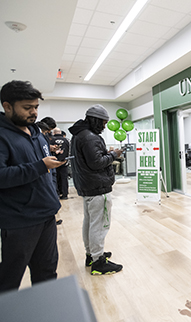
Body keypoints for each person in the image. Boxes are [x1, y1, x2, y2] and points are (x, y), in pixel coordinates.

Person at [0, 80, 65, 292]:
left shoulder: (37, 132)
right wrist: (39, 165)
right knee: (10, 278)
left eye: (36, 107)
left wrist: (49, 157)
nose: (34, 112)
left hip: (47, 214)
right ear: (7, 106)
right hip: (20, 221)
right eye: (27, 108)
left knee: (47, 273)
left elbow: (42, 164)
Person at [69, 104, 123, 275]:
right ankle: (98, 261)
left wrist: (105, 154)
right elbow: (97, 163)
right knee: (99, 225)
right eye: (104, 123)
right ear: (96, 120)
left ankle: (91, 254)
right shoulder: (90, 137)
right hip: (98, 187)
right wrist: (114, 155)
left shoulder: (79, 135)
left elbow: (91, 159)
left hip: (87, 186)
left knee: (90, 222)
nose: (105, 126)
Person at [52, 128, 70, 200]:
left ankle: (57, 194)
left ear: (54, 133)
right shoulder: (67, 140)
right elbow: (70, 151)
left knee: (55, 179)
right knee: (64, 179)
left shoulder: (51, 140)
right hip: (64, 162)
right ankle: (65, 194)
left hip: (53, 163)